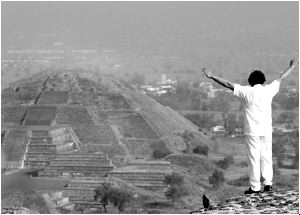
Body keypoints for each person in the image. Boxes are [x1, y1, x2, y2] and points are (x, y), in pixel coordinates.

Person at [202, 57, 298, 194]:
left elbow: (228, 84)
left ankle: (255, 187)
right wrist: (292, 67)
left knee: (254, 158)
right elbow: (281, 78)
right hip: (266, 130)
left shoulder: (247, 91)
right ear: (263, 80)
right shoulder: (269, 90)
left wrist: (212, 77)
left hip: (252, 131)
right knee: (266, 156)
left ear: (250, 81)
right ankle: (268, 184)